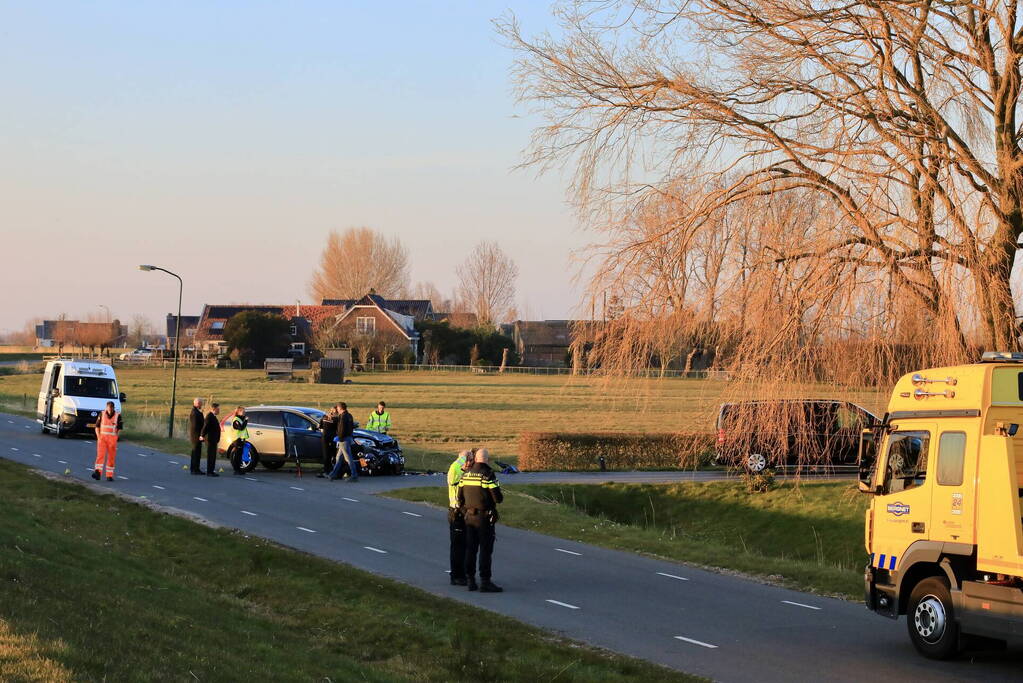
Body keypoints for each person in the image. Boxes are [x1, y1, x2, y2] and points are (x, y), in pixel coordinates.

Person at [457, 447, 504, 592]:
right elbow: (498, 498)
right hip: (484, 518)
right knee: (485, 549)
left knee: (471, 549)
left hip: (469, 517)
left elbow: (459, 498)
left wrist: (465, 510)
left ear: (476, 459)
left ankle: (470, 580)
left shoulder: (465, 475)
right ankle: (485, 581)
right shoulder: (488, 475)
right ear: (487, 460)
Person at [446, 449, 474, 585]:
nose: (471, 463)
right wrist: (463, 458)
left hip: (464, 511)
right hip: (456, 512)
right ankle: (456, 575)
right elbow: (453, 477)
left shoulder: (464, 471)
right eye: (470, 460)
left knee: (465, 545)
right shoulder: (455, 469)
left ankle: (463, 573)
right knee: (458, 546)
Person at [91, 400, 123, 482]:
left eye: (111, 408)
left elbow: (119, 428)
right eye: (108, 408)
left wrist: (116, 437)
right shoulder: (102, 414)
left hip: (112, 439)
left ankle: (109, 475)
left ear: (113, 408)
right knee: (100, 456)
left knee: (111, 457)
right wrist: (98, 437)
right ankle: (97, 473)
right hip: (102, 438)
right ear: (106, 407)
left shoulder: (117, 416)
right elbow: (97, 426)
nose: (110, 410)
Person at [327, 402, 358, 481]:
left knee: (348, 458)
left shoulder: (343, 416)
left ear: (340, 408)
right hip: (347, 438)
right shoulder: (349, 415)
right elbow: (351, 427)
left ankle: (354, 475)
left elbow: (341, 428)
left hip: (343, 439)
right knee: (339, 458)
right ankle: (333, 474)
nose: (337, 409)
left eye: (337, 408)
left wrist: (340, 438)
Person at [316, 405, 339, 478]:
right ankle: (329, 471)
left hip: (325, 438)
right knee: (332, 455)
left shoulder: (324, 417)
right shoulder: (337, 419)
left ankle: (327, 471)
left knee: (326, 455)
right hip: (332, 439)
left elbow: (320, 427)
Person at [227, 406, 251, 475]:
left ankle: (239, 469)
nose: (244, 413)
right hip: (237, 440)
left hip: (241, 440)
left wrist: (245, 420)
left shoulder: (241, 419)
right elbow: (241, 428)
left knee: (240, 455)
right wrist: (246, 420)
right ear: (238, 412)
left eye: (244, 411)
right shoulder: (236, 420)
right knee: (237, 455)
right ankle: (236, 470)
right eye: (243, 412)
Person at [200, 402, 222, 477]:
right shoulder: (209, 416)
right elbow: (205, 426)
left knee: (213, 455)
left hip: (213, 439)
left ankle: (211, 470)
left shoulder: (213, 416)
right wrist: (202, 435)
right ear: (214, 409)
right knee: (211, 455)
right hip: (210, 439)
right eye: (218, 409)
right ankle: (210, 472)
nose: (219, 410)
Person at [188, 397, 205, 475]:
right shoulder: (195, 413)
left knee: (196, 452)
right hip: (196, 436)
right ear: (198, 404)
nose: (202, 405)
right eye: (201, 403)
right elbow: (195, 426)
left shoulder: (196, 411)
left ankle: (194, 469)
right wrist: (200, 435)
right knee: (196, 453)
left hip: (195, 436)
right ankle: (195, 469)